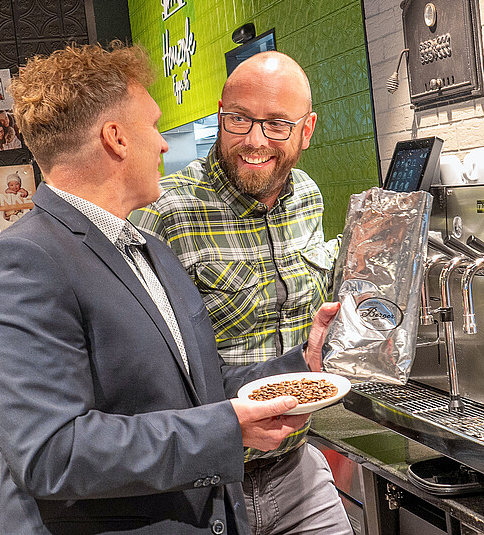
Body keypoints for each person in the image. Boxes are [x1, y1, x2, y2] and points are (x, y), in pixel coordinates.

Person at [0, 40, 340, 535]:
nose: (164, 144)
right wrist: (227, 430)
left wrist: (301, 367)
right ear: (117, 138)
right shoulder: (18, 261)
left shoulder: (146, 248)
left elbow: (197, 387)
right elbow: (53, 452)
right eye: (155, 125)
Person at [132, 51, 349, 535]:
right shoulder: (164, 212)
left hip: (298, 469)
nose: (254, 140)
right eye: (239, 120)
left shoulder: (307, 196)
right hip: (205, 488)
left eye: (276, 125)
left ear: (306, 130)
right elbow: (147, 372)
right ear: (219, 115)